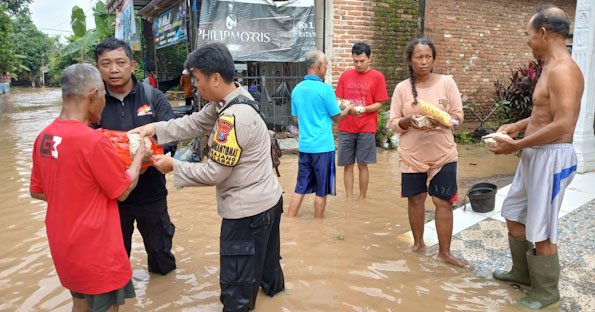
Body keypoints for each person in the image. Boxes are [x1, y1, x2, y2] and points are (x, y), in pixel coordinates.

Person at [131, 42, 285, 311]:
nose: (195, 86)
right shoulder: (236, 98)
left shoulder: (231, 120)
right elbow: (193, 123)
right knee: (267, 272)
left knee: (236, 290)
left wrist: (173, 166)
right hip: (269, 200)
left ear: (215, 78)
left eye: (198, 80)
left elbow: (214, 172)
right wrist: (154, 128)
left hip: (246, 215)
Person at [29, 63, 146, 312]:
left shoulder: (44, 137)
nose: (104, 101)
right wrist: (139, 156)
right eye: (103, 95)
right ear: (93, 94)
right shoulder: (92, 140)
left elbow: (38, 190)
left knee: (79, 304)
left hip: (64, 246)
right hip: (96, 249)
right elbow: (122, 190)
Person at [488, 5, 584, 309]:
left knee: (541, 226)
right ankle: (522, 272)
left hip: (553, 157)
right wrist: (517, 127)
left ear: (543, 33)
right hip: (534, 152)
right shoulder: (548, 67)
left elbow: (564, 124)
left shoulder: (564, 70)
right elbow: (543, 114)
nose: (528, 40)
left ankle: (546, 291)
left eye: (529, 34)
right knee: (514, 211)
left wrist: (516, 146)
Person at [94, 37, 177, 276]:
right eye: (106, 63)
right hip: (111, 198)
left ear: (132, 64)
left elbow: (171, 138)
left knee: (162, 258)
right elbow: (85, 147)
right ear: (98, 67)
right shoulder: (93, 102)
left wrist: (149, 156)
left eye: (120, 62)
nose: (114, 69)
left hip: (151, 193)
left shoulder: (153, 97)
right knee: (114, 263)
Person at [389, 38, 468, 268]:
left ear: (433, 58)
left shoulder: (447, 83)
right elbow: (392, 122)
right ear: (410, 60)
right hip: (412, 154)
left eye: (428, 57)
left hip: (443, 152)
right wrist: (407, 121)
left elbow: (458, 116)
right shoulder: (402, 88)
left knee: (443, 201)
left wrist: (445, 120)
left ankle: (444, 253)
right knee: (415, 199)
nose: (424, 62)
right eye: (419, 57)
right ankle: (418, 245)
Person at [288, 50, 352, 218]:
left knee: (300, 187)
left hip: (305, 147)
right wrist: (349, 109)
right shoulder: (325, 90)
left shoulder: (297, 90)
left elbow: (296, 119)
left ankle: (290, 219)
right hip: (323, 148)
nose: (326, 69)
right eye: (326, 66)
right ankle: (319, 225)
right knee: (321, 191)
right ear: (319, 66)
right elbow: (337, 118)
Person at [336, 42, 389, 199]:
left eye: (361, 61)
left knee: (362, 164)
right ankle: (349, 198)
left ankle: (362, 199)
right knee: (347, 165)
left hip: (367, 127)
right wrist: (347, 107)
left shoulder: (378, 77)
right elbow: (338, 98)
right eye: (355, 61)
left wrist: (364, 109)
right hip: (346, 126)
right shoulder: (345, 75)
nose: (358, 64)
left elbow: (380, 103)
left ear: (369, 59)